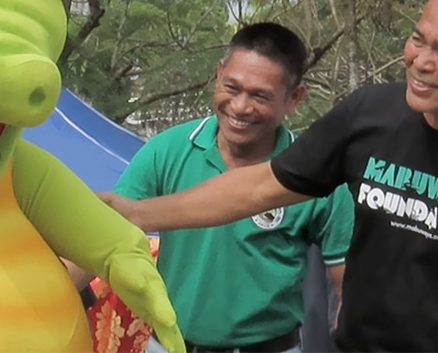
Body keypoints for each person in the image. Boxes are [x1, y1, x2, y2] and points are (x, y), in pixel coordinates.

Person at [100, 0, 438, 352]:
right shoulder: (369, 116)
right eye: (418, 39)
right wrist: (138, 214)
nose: (420, 61)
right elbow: (257, 187)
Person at [97, 22, 354, 353]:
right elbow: (106, 234)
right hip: (169, 346)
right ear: (218, 74)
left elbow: (348, 288)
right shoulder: (168, 149)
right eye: (232, 88)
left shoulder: (315, 175)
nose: (241, 107)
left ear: (294, 98)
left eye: (260, 96)